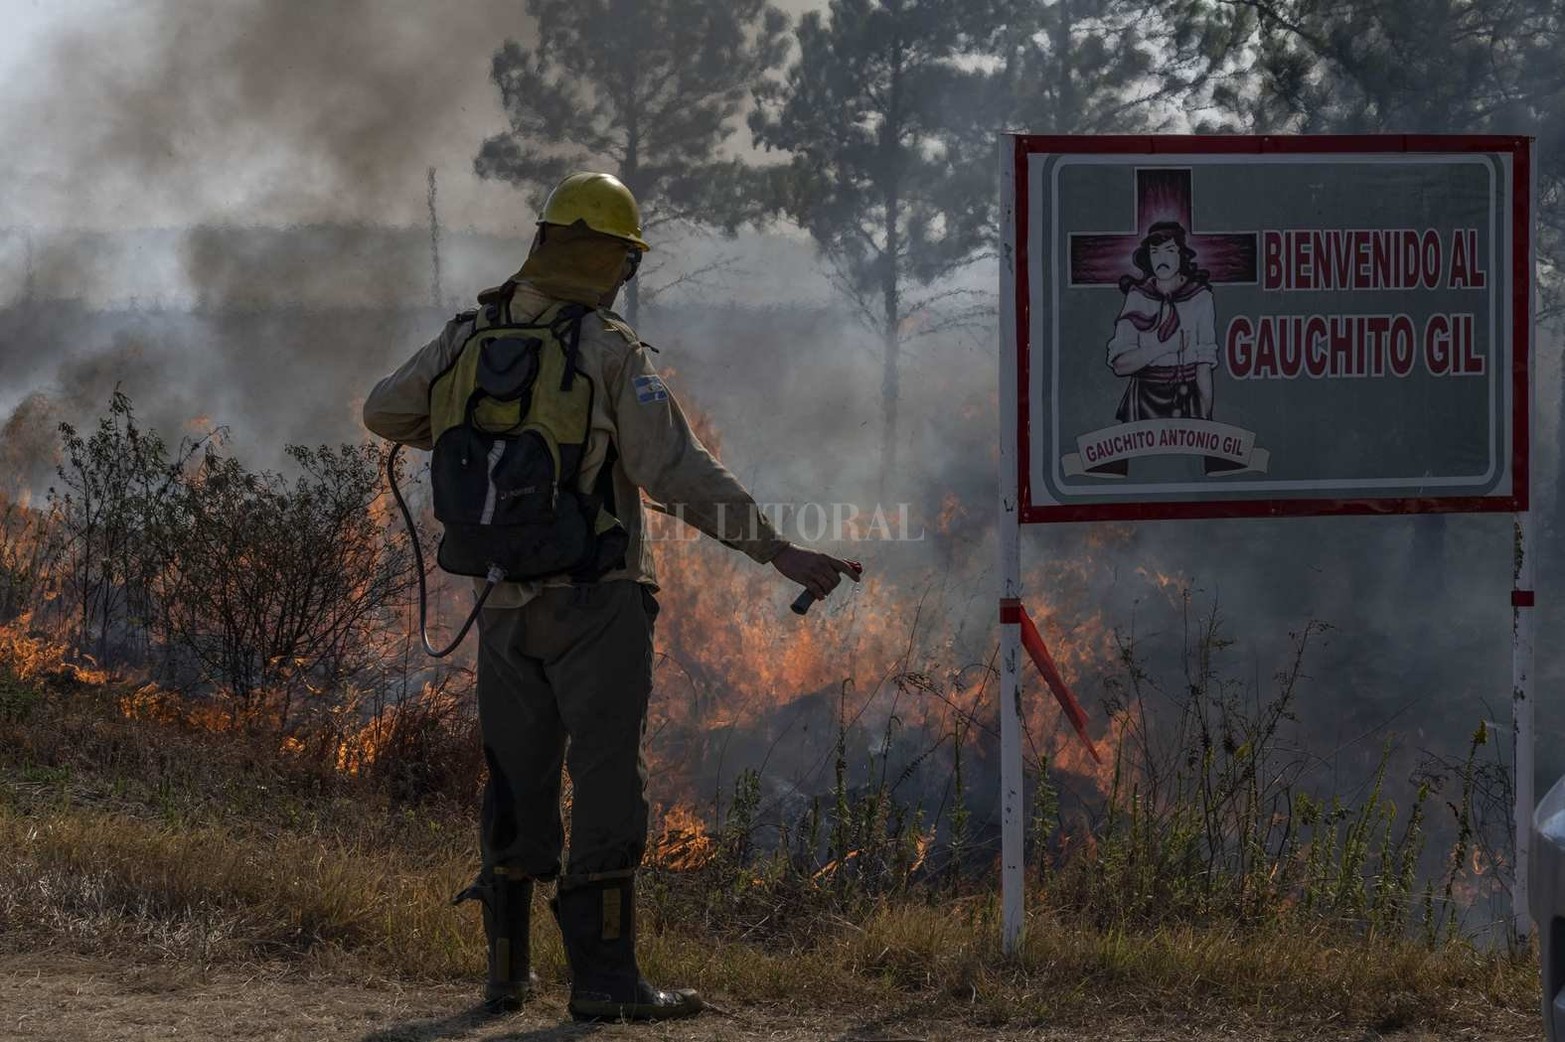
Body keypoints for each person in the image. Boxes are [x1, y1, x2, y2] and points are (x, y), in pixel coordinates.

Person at [362, 171, 858, 1021]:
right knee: (604, 785)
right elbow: (674, 469)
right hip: (597, 604)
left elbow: (383, 412)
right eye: (625, 260)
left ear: (544, 241)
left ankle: (505, 978)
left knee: (515, 778)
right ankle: (604, 983)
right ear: (608, 260)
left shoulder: (466, 337)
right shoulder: (605, 349)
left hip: (504, 604)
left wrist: (469, 428)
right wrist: (774, 548)